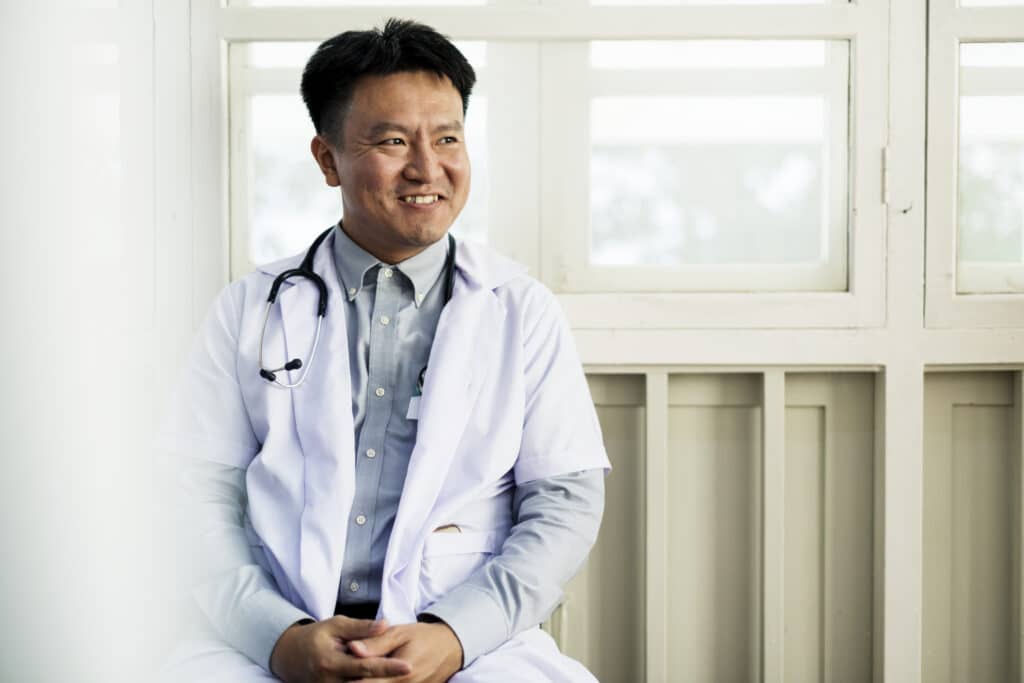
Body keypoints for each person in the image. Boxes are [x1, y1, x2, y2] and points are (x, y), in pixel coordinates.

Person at [158, 18, 610, 683]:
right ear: (327, 158)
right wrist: (280, 636)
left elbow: (566, 503)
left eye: (448, 138)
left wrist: (454, 636)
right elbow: (193, 494)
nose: (428, 168)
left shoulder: (520, 308)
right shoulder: (249, 308)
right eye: (394, 141)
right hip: (272, 634)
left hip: (468, 641)